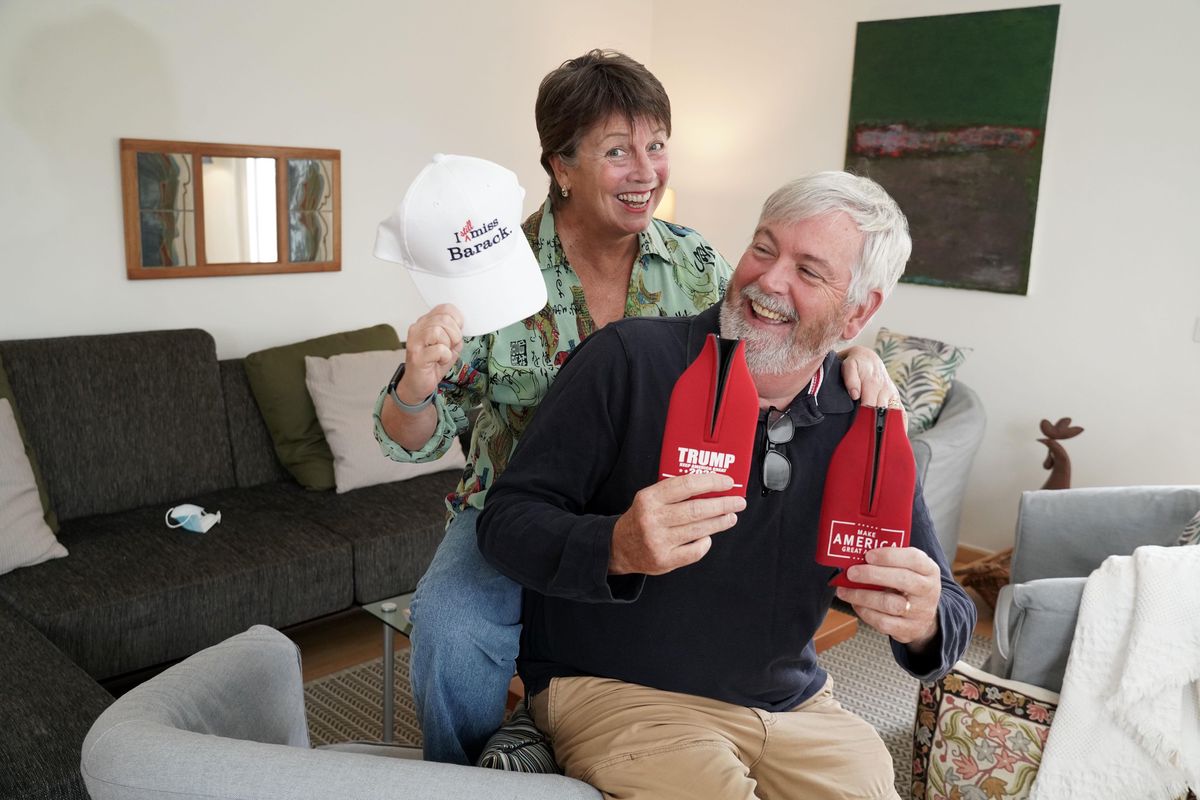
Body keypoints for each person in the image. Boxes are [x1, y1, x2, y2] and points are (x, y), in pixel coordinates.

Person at [374, 51, 900, 766]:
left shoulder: (693, 262)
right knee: (449, 621)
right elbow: (412, 436)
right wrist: (415, 385)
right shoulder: (493, 270)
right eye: (618, 151)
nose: (646, 170)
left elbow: (769, 342)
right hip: (518, 500)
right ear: (561, 165)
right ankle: (466, 777)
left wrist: (850, 359)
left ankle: (591, 729)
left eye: (656, 146)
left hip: (651, 491)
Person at [476, 172, 977, 799]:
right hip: (621, 692)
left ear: (859, 311)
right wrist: (616, 546)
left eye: (809, 271)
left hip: (795, 709)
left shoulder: (864, 422)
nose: (768, 280)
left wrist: (924, 618)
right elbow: (505, 522)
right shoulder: (629, 359)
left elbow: (952, 610)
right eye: (764, 248)